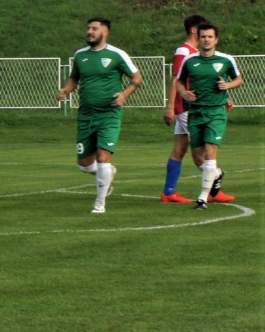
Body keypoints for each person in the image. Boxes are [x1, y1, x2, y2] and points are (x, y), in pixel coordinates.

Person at [57, 17, 143, 214]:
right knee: (85, 165)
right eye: (88, 28)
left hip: (109, 114)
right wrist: (65, 90)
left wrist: (124, 94)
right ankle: (107, 174)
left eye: (94, 29)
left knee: (103, 156)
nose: (90, 31)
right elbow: (74, 78)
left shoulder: (117, 54)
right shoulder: (80, 55)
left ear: (105, 32)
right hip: (86, 115)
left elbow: (137, 77)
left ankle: (99, 203)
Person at [161, 15, 233, 203]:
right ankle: (213, 187)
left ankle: (169, 192)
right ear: (195, 31)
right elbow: (176, 79)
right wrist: (170, 106)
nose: (206, 37)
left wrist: (225, 97)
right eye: (202, 32)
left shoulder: (196, 52)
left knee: (179, 149)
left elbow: (209, 81)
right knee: (200, 153)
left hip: (192, 105)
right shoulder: (184, 52)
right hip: (188, 107)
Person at [174, 23, 243, 210]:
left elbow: (238, 79)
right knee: (198, 158)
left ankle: (202, 198)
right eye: (203, 36)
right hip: (195, 113)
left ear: (216, 39)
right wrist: (183, 93)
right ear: (199, 39)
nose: (206, 39)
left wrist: (228, 86)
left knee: (211, 151)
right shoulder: (190, 60)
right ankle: (217, 174)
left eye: (210, 37)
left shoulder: (226, 60)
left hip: (216, 112)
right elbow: (178, 81)